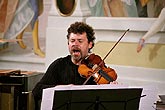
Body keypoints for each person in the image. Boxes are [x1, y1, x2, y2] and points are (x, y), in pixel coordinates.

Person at [32, 21, 117, 110]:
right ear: (68, 43)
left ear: (90, 44)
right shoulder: (59, 65)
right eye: (72, 41)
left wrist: (112, 88)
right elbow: (37, 90)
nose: (75, 44)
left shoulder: (96, 65)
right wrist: (60, 88)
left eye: (80, 41)